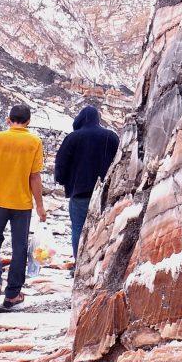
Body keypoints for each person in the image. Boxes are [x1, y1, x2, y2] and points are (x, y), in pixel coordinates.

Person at [0, 103, 46, 308]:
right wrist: (40, 205)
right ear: (28, 122)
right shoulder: (34, 141)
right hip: (22, 204)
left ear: (8, 119)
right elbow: (35, 177)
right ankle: (13, 294)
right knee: (20, 247)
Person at [55, 104, 119, 260]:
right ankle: (100, 263)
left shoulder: (73, 138)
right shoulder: (111, 136)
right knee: (103, 228)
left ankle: (79, 264)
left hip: (80, 192)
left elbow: (61, 163)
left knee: (78, 228)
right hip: (106, 192)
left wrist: (61, 179)